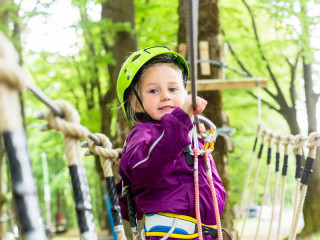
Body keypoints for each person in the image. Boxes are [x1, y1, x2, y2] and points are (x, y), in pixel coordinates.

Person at [116, 46, 226, 240]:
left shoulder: (190, 136)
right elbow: (146, 167)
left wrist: (189, 131)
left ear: (185, 94)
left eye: (173, 88)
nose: (165, 95)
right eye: (153, 90)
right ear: (135, 103)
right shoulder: (144, 135)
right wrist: (181, 121)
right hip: (169, 233)